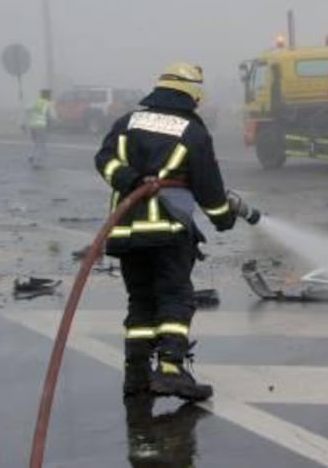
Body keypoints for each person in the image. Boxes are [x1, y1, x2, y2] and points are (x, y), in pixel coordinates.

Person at [94, 62, 260, 401]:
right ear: (193, 94)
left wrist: (131, 181)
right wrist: (224, 219)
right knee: (175, 298)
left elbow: (104, 160)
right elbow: (209, 189)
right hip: (168, 232)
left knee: (141, 301)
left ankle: (137, 376)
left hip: (126, 233)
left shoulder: (127, 123)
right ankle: (170, 370)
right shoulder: (192, 131)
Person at [21, 89, 56, 168]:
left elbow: (26, 110)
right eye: (50, 95)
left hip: (32, 126)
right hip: (41, 126)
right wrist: (54, 123)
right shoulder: (47, 104)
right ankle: (37, 162)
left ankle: (31, 156)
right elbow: (52, 116)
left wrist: (23, 123)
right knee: (41, 144)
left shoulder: (35, 102)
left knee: (35, 142)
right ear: (47, 96)